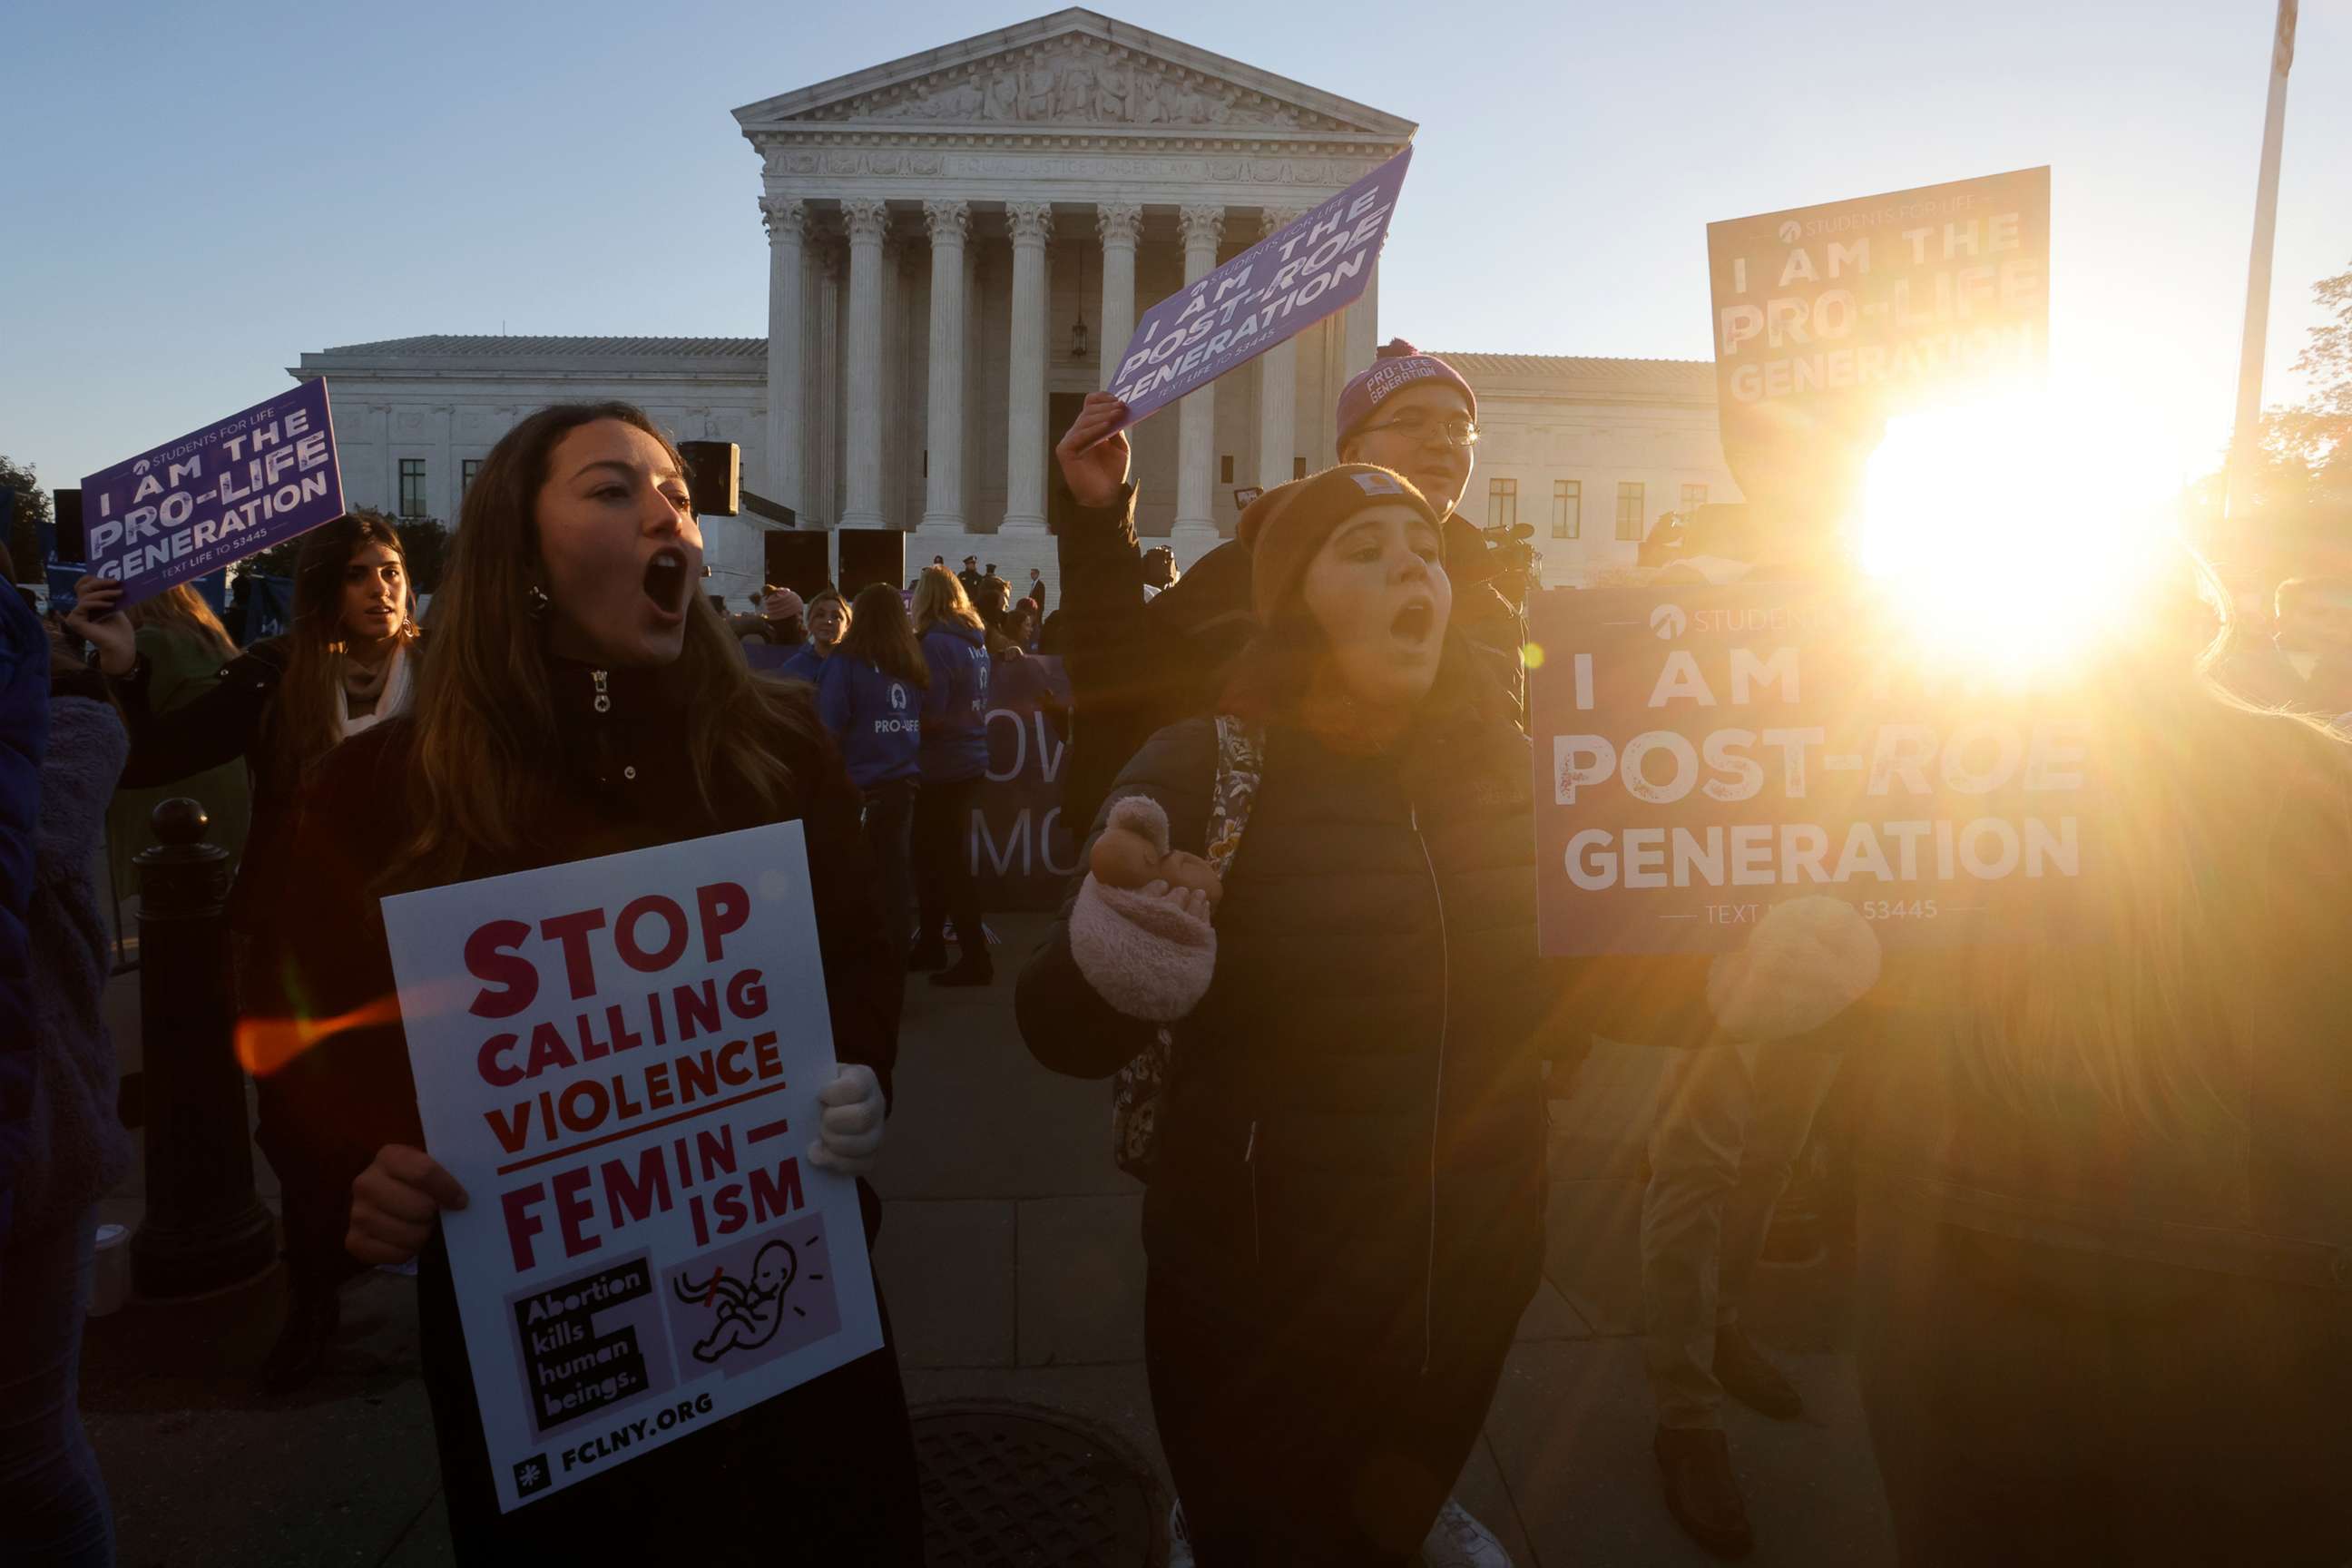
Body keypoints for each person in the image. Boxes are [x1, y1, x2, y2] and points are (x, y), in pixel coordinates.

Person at [1015, 466, 1853, 1566]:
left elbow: (1575, 985)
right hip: (1256, 1293)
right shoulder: (1201, 764)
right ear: (1293, 601)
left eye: (1422, 546)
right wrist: (1120, 953)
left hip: (1471, 1273)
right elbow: (1059, 1032)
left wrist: (1725, 991)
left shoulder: (1517, 773)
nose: (1412, 563)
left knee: (1386, 1529)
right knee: (1263, 1536)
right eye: (1362, 548)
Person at [275, 401, 921, 1562]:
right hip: (544, 1343)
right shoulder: (382, 791)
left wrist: (861, 1071)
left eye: (674, 493)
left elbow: (859, 954)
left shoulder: (777, 748)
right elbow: (309, 1033)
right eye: (612, 491)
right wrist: (360, 1174)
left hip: (782, 1293)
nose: (663, 513)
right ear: (521, 553)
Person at [1847, 559, 2352, 1564]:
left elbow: (1859, 1006)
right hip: (2264, 1311)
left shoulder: (1939, 784)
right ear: (2202, 625)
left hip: (1965, 1281)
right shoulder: (2315, 776)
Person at [64, 513, 424, 1394]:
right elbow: (156, 756)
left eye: (391, 571)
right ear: (322, 588)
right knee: (301, 1133)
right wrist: (119, 662)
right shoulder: (277, 674)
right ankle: (312, 1323)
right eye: (359, 574)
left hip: (417, 945)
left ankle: (435, 1307)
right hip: (297, 940)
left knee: (413, 1126)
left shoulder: (449, 675)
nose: (380, 588)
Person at [1054, 338, 1522, 838]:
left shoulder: (1491, 606)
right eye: (1411, 421)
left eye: (1459, 427)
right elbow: (1118, 676)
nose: (1442, 442)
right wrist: (1100, 516)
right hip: (1281, 888)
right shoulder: (1253, 569)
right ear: (1354, 451)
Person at [1, 591, 130, 1568]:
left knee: (31, 1456)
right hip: (46, 1114)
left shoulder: (66, 733)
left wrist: (103, 677)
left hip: (36, 1127)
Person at [103, 583, 253, 907]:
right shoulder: (211, 638)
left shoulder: (148, 642)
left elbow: (116, 724)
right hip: (221, 787)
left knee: (167, 909)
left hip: (165, 796)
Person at [816, 582, 928, 974]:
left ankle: (863, 971)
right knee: (894, 883)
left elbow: (827, 727)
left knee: (855, 887)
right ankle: (893, 967)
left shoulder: (845, 663)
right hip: (901, 787)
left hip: (857, 789)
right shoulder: (910, 662)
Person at [908, 566, 994, 986]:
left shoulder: (937, 644)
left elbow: (933, 712)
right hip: (967, 758)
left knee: (945, 864)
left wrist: (901, 720)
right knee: (933, 859)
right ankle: (931, 944)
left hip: (941, 764)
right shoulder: (972, 641)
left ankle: (975, 957)